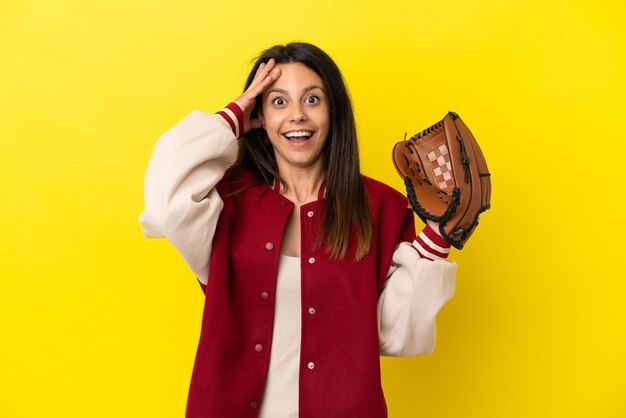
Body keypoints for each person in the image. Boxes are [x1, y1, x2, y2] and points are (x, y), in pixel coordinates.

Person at [139, 42, 456, 418]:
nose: (296, 116)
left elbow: (393, 333)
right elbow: (162, 208)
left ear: (333, 111)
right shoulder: (224, 202)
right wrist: (232, 118)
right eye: (278, 102)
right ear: (260, 115)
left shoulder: (379, 207)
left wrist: (438, 235)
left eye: (312, 100)